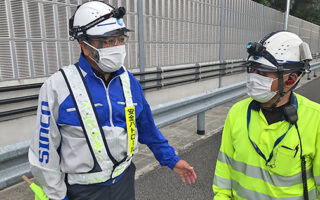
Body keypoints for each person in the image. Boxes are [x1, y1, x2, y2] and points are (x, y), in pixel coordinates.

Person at [28, 1, 196, 199]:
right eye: (108, 41)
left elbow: (147, 128)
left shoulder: (129, 82)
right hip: (82, 192)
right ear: (85, 45)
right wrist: (57, 196)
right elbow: (44, 152)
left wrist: (171, 160)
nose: (117, 47)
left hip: (124, 182)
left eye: (120, 39)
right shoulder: (57, 86)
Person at [212, 31, 320, 200]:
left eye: (263, 73)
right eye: (252, 70)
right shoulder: (237, 112)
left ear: (291, 79)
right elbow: (224, 171)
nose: (254, 78)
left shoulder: (316, 119)